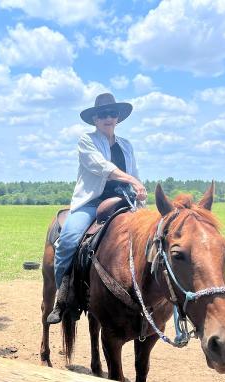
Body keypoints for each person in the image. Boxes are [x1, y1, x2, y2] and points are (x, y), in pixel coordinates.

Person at [46, 93, 147, 324]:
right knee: (69, 241)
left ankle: (151, 295)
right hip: (92, 202)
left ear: (118, 117)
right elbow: (102, 167)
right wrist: (132, 181)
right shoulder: (87, 141)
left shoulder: (127, 145)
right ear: (95, 119)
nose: (108, 118)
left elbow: (135, 174)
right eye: (102, 114)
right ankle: (64, 299)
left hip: (125, 202)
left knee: (152, 239)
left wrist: (141, 194)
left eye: (112, 114)